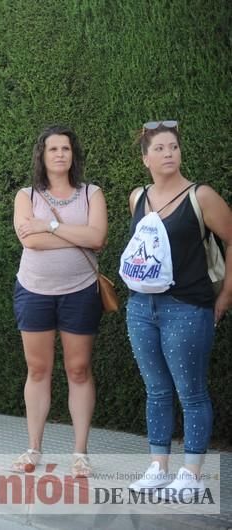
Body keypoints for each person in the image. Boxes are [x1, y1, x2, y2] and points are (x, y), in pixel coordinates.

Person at [124, 121, 232, 496]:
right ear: (145, 158)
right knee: (155, 390)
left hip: (188, 307)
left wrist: (225, 296)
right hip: (141, 307)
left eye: (173, 147)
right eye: (159, 149)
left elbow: (231, 239)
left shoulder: (200, 196)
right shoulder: (137, 197)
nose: (168, 153)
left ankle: (191, 472)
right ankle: (158, 467)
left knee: (191, 392)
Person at [12, 125, 107, 477]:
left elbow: (97, 238)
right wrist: (75, 236)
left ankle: (80, 453)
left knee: (78, 370)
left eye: (66, 148)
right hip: (34, 290)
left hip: (81, 291)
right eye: (53, 149)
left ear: (73, 154)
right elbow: (29, 242)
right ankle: (33, 448)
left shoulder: (91, 194)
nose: (60, 154)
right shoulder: (26, 196)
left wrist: (48, 227)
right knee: (38, 370)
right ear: (42, 155)